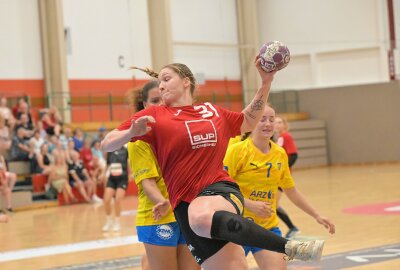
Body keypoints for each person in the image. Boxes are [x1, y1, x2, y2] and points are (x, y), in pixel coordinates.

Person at [101, 60, 328, 269]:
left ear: (186, 81)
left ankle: (290, 247)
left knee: (200, 216)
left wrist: (266, 82)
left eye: (167, 79)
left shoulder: (211, 111)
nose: (161, 86)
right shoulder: (155, 115)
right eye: (159, 82)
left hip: (220, 191)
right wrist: (131, 131)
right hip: (184, 207)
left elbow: (248, 120)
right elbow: (107, 144)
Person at [224, 106, 335, 270]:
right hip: (236, 228)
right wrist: (248, 204)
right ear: (252, 122)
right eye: (262, 119)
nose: (268, 124)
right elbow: (221, 189)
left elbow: (291, 190)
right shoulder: (237, 151)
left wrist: (316, 215)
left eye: (271, 119)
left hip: (267, 227)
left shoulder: (280, 154)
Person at [127, 80, 199, 270]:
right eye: (154, 100)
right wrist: (162, 201)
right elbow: (147, 183)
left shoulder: (183, 132)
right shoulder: (139, 140)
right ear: (144, 105)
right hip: (158, 216)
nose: (160, 104)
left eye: (163, 99)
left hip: (186, 213)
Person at [274, 115, 300, 238]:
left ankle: (292, 228)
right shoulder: (279, 138)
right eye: (276, 122)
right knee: (273, 204)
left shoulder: (286, 136)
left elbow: (294, 155)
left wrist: (283, 170)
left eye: (280, 122)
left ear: (284, 124)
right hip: (277, 176)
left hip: (282, 177)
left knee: (273, 204)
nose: (277, 124)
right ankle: (292, 228)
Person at [102, 145, 128, 232]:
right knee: (106, 199)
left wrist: (131, 173)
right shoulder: (110, 150)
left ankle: (117, 222)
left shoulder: (125, 150)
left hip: (122, 178)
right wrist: (103, 174)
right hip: (112, 178)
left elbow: (129, 163)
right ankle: (108, 221)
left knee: (118, 199)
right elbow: (107, 164)